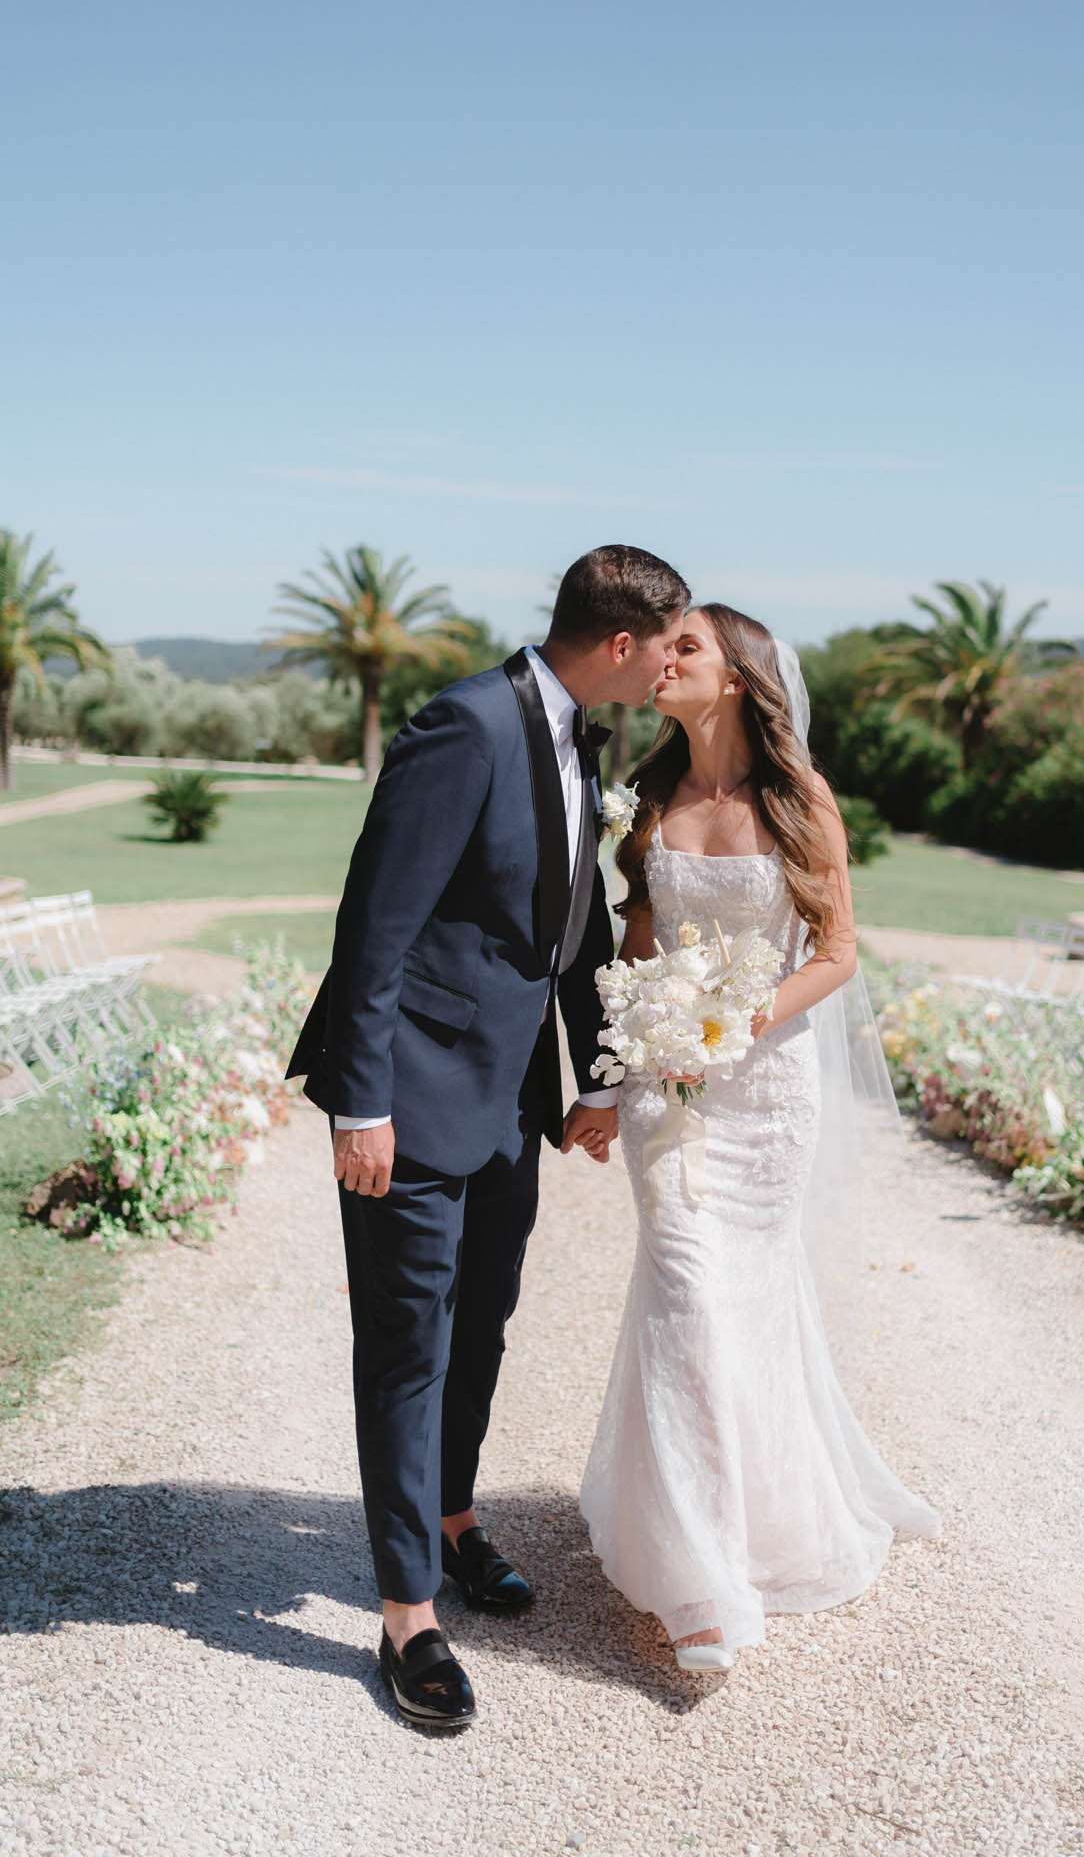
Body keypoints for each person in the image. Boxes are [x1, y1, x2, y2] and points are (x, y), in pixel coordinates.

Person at [287, 544, 689, 1729]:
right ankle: (408, 1610)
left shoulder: (578, 739)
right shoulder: (462, 727)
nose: (674, 661)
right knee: (408, 1343)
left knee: (483, 1325)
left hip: (512, 1100)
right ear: (620, 645)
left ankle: (453, 1517)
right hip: (410, 1097)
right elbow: (376, 920)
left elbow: (565, 931)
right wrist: (362, 1101)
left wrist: (592, 1077)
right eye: (669, 642)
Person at [580, 603, 941, 1673]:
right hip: (670, 1091)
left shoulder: (799, 799)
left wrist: (732, 1023)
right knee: (686, 1286)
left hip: (768, 1086)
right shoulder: (648, 800)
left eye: (685, 646)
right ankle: (700, 1577)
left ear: (737, 675)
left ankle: (761, 1521)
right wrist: (618, 1072)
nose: (662, 661)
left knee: (747, 1298)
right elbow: (636, 949)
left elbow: (836, 952)